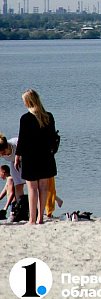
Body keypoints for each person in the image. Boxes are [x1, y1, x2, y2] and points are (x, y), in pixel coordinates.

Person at [13, 89, 58, 225]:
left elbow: (22, 139)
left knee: (32, 188)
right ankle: (41, 218)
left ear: (28, 101)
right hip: (45, 156)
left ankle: (32, 219)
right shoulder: (48, 116)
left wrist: (17, 156)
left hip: (30, 156)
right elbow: (52, 138)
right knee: (43, 187)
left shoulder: (25, 118)